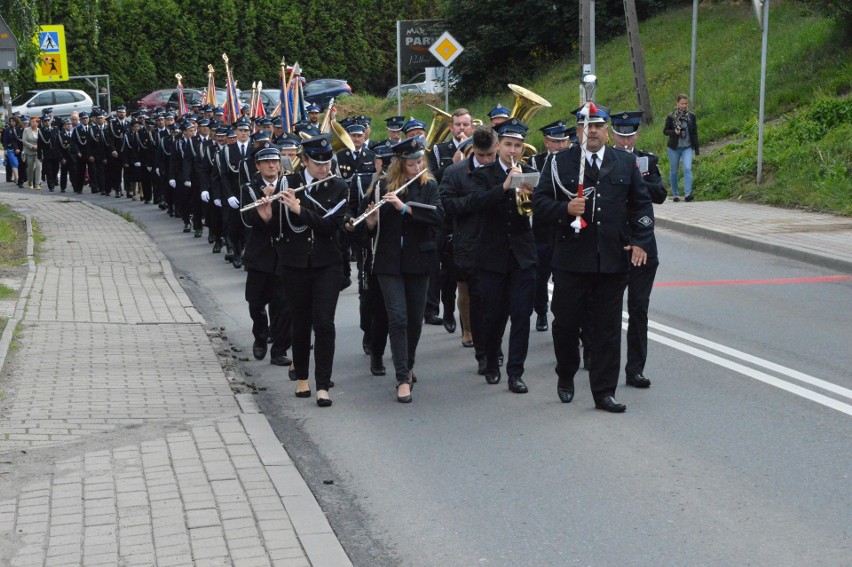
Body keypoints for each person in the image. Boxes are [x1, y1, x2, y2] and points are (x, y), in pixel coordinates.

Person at [532, 104, 655, 413]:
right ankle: (566, 373)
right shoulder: (560, 163)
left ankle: (604, 392)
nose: (595, 130)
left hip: (611, 261)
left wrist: (640, 241)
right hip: (571, 260)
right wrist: (565, 210)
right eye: (588, 125)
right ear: (578, 131)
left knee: (608, 329)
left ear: (606, 129)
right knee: (566, 324)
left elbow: (641, 207)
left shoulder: (624, 163)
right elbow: (540, 203)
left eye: (599, 125)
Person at [348, 136, 443, 403]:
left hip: (419, 261)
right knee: (398, 319)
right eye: (411, 163)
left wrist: (406, 209)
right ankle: (402, 378)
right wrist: (370, 222)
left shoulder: (429, 185)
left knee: (414, 320)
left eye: (419, 162)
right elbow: (366, 231)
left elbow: (438, 216)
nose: (417, 167)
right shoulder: (380, 187)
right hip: (388, 262)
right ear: (400, 165)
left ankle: (408, 364)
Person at [257, 134, 349, 408]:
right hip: (294, 263)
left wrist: (299, 207)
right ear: (305, 161)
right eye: (317, 163)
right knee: (300, 322)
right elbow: (281, 229)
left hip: (327, 264)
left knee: (324, 323)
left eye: (327, 162)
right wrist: (268, 218)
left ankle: (323, 385)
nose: (324, 168)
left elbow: (329, 226)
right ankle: (302, 378)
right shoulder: (288, 183)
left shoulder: (338, 186)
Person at [466, 119, 537, 394]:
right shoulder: (483, 174)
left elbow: (531, 215)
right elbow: (476, 204)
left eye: (517, 146)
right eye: (508, 144)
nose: (512, 150)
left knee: (521, 314)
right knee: (493, 316)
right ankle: (493, 361)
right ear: (498, 145)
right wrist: (505, 187)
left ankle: (515, 372)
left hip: (522, 256)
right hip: (492, 256)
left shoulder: (530, 173)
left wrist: (529, 197)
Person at [610, 110, 667, 388]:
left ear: (636, 134)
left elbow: (660, 195)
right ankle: (601, 361)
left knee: (639, 309)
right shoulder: (605, 160)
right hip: (615, 243)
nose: (625, 139)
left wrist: (635, 178)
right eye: (620, 134)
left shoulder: (647, 160)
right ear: (612, 134)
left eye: (630, 134)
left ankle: (635, 369)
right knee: (605, 308)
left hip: (644, 245)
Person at [440, 126, 499, 372]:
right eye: (481, 156)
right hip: (470, 245)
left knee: (497, 304)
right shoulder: (455, 172)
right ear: (472, 149)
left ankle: (495, 349)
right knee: (478, 300)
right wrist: (481, 200)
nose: (486, 161)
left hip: (499, 246)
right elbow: (447, 205)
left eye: (490, 156)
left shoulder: (506, 169)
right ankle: (482, 353)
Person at [239, 146, 292, 368]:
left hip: (283, 254)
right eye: (267, 162)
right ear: (258, 166)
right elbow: (248, 219)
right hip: (259, 254)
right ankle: (261, 335)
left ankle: (279, 349)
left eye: (275, 162)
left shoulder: (289, 184)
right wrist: (265, 210)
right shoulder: (250, 188)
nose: (272, 166)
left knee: (283, 305)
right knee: (255, 301)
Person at [529, 120, 573, 332]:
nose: (561, 145)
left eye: (564, 141)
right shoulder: (535, 162)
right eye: (556, 141)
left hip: (564, 226)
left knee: (564, 278)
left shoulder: (571, 163)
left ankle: (563, 316)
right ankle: (540, 312)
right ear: (547, 142)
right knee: (540, 275)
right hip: (542, 229)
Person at [663, 94, 699, 202]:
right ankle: (675, 194)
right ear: (677, 104)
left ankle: (688, 194)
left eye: (686, 103)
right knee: (674, 171)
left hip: (687, 147)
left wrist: (696, 148)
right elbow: (665, 131)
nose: (684, 106)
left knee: (687, 168)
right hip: (674, 148)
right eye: (682, 103)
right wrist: (674, 132)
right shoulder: (671, 116)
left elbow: (694, 133)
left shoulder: (691, 116)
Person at [22, 117, 42, 190]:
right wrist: (31, 146)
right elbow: (24, 141)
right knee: (30, 168)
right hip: (29, 151)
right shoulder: (26, 130)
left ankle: (37, 183)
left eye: (33, 121)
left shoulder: (39, 130)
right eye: (31, 121)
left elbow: (42, 140)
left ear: (37, 123)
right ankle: (30, 182)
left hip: (38, 152)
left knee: (38, 167)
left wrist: (38, 146)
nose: (31, 123)